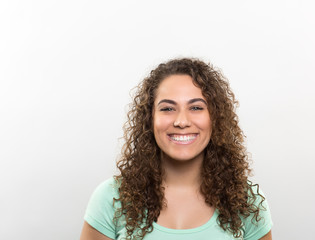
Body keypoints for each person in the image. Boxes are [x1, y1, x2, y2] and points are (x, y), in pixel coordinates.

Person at [80, 58, 273, 240]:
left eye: (196, 108)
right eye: (168, 109)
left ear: (215, 118)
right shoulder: (111, 198)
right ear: (150, 119)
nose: (181, 122)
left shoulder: (247, 202)